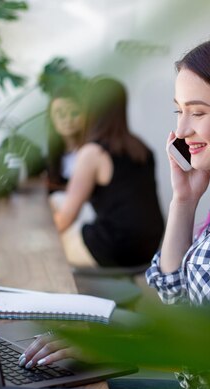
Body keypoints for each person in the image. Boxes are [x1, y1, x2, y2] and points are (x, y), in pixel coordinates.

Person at [20, 34, 210, 369]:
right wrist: (184, 200)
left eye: (197, 112)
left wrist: (109, 348)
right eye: (178, 110)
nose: (181, 130)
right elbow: (173, 295)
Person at [52, 76, 165, 268]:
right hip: (150, 246)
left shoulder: (92, 153)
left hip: (115, 247)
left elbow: (65, 219)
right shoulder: (141, 148)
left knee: (50, 245)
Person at [46, 85, 86, 193]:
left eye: (74, 113)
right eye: (61, 114)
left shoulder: (96, 150)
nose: (68, 119)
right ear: (51, 121)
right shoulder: (50, 161)